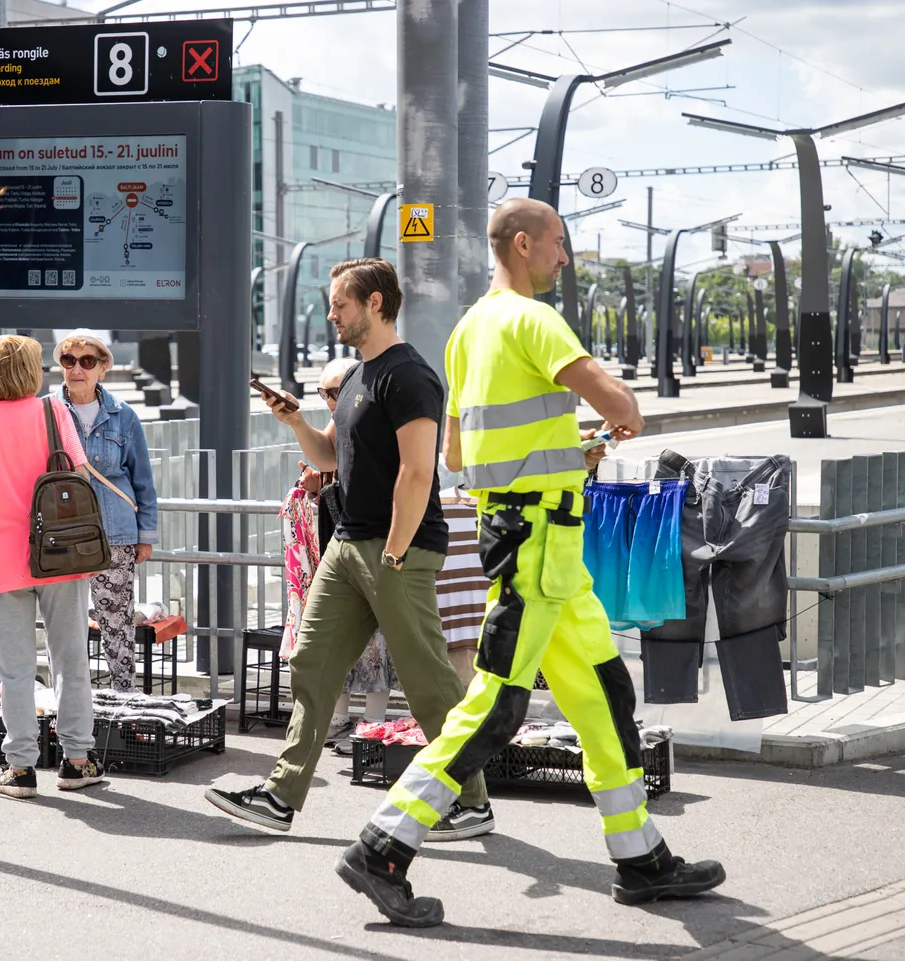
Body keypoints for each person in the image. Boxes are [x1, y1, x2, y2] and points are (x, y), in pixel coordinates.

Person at [336, 198, 725, 928]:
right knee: (496, 705)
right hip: (540, 547)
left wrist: (559, 451)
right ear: (524, 243)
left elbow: (458, 454)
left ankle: (640, 856)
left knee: (606, 698)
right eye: (558, 243)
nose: (564, 257)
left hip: (543, 550)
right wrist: (616, 414)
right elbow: (622, 401)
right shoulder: (534, 318)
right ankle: (381, 845)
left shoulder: (466, 331)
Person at [205, 257, 490, 839]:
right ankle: (280, 797)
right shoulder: (359, 377)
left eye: (340, 303)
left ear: (376, 304)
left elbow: (416, 473)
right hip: (348, 542)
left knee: (427, 679)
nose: (331, 313)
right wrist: (295, 422)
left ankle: (471, 801)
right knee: (312, 662)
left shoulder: (408, 375)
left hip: (396, 548)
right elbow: (329, 459)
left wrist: (395, 550)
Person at [0, 334, 105, 800]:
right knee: (69, 661)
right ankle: (77, 761)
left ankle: (20, 769)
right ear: (30, 372)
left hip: (0, 559)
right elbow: (76, 470)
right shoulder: (54, 412)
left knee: (13, 669)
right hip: (60, 555)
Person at [281, 357, 397, 750]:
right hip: (341, 546)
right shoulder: (344, 417)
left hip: (379, 546)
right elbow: (327, 456)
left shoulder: (376, 414)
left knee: (378, 642)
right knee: (337, 642)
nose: (331, 402)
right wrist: (316, 486)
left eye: (334, 393)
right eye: (324, 394)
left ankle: (374, 725)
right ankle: (340, 720)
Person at [56, 329, 159, 692]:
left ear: (103, 368)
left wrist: (145, 537)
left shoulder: (123, 415)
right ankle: (68, 705)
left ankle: (123, 703)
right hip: (62, 536)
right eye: (69, 360)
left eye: (87, 361)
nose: (77, 369)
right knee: (64, 625)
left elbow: (142, 479)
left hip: (115, 534)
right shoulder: (47, 412)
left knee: (116, 625)